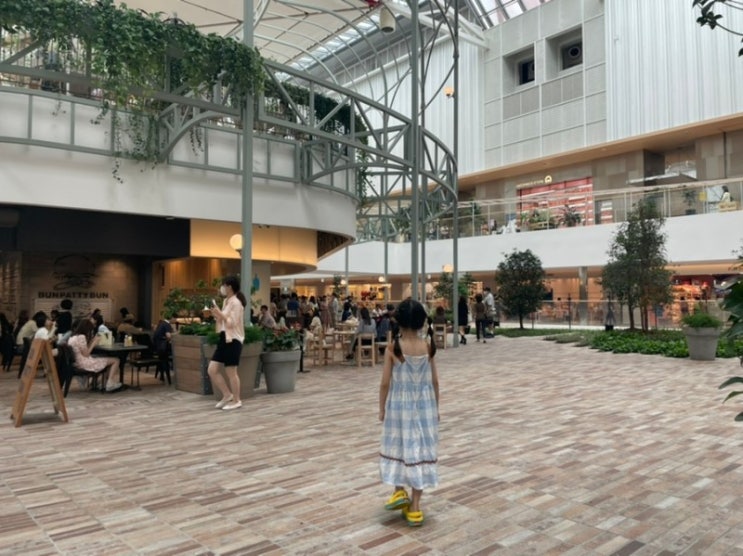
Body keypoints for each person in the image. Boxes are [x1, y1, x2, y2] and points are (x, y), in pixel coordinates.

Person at [379, 298, 439, 527]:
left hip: (399, 407)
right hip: (424, 406)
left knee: (398, 445)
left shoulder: (393, 348)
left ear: (399, 321)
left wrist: (381, 408)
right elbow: (435, 381)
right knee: (420, 450)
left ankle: (398, 491)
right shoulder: (428, 347)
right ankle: (415, 507)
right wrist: (436, 408)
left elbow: (385, 383)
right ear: (422, 322)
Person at [208, 276, 246, 411]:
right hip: (224, 338)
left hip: (233, 340)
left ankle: (237, 400)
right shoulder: (226, 301)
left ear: (229, 287)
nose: (222, 288)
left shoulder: (236, 303)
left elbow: (232, 323)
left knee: (231, 372)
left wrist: (220, 314)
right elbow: (223, 321)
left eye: (223, 285)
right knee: (212, 370)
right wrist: (216, 314)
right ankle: (227, 395)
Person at [67, 319, 122, 392]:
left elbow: (84, 350)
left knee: (104, 358)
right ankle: (110, 383)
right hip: (84, 363)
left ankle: (100, 383)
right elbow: (86, 354)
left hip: (77, 362)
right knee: (116, 360)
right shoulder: (81, 337)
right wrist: (94, 343)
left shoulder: (73, 337)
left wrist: (92, 341)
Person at [152, 317, 174, 383]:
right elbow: (168, 336)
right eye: (175, 318)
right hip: (163, 349)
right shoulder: (167, 324)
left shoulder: (161, 323)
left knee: (163, 359)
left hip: (157, 348)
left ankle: (162, 375)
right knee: (174, 353)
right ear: (172, 318)